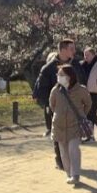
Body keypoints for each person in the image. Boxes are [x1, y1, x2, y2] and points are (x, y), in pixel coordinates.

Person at [34, 39, 77, 169]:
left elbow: (82, 83)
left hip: (73, 107)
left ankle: (70, 159)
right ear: (63, 50)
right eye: (71, 49)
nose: (74, 51)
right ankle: (61, 161)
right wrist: (49, 105)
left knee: (72, 136)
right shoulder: (48, 69)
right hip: (56, 108)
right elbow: (41, 90)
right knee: (59, 136)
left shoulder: (75, 65)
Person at [48, 64, 92, 185]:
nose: (59, 77)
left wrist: (82, 115)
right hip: (59, 126)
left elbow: (88, 104)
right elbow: (52, 105)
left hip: (75, 125)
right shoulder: (55, 90)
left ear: (70, 76)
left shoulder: (80, 90)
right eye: (58, 75)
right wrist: (59, 115)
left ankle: (76, 174)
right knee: (63, 152)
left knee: (73, 149)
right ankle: (69, 173)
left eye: (62, 75)